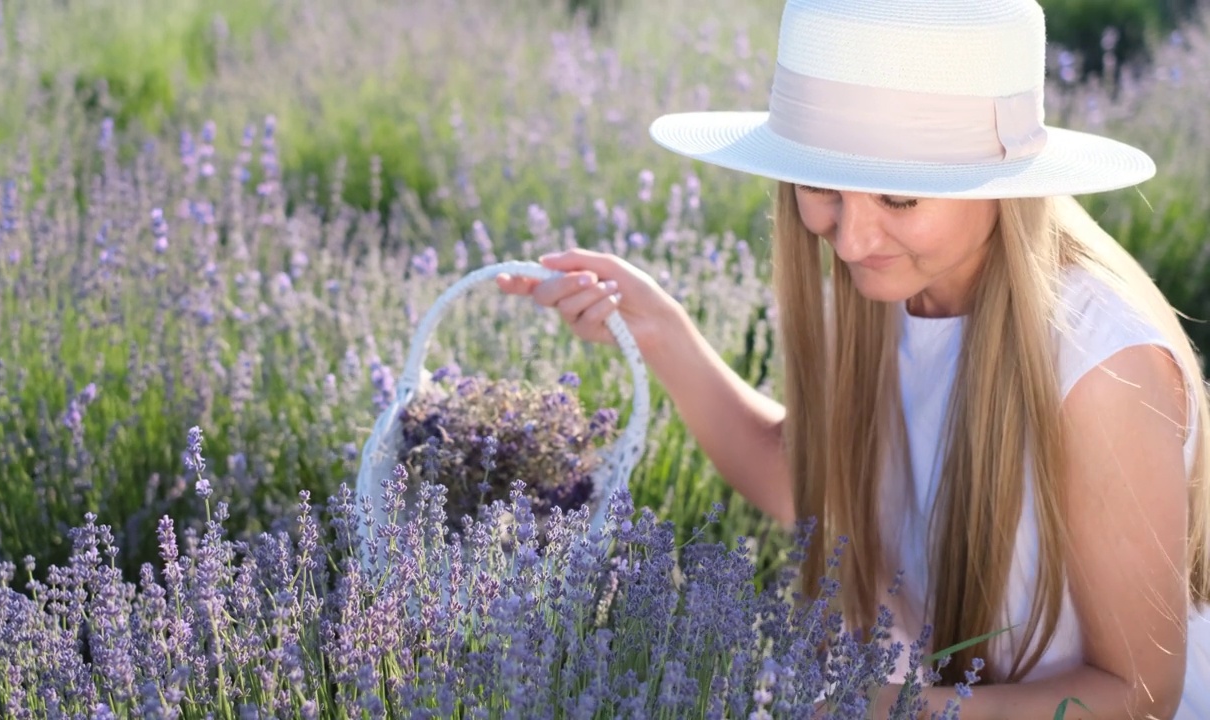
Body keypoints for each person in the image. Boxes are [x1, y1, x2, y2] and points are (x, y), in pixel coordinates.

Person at [497, 0, 1210, 717]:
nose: (851, 239)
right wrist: (656, 327)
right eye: (822, 187)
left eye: (900, 197)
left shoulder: (1102, 367)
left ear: (1003, 188)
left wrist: (888, 708)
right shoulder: (892, 292)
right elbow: (804, 482)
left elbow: (1137, 696)